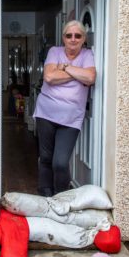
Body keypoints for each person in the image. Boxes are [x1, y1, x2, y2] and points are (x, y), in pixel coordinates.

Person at [33, 20, 96, 197]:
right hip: (46, 113)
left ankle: (62, 199)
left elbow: (90, 77)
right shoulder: (54, 51)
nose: (73, 39)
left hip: (71, 118)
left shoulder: (88, 54)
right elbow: (49, 77)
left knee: (60, 162)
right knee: (46, 159)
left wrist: (66, 67)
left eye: (78, 35)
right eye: (69, 35)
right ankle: (45, 197)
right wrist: (77, 74)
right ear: (63, 38)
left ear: (84, 38)